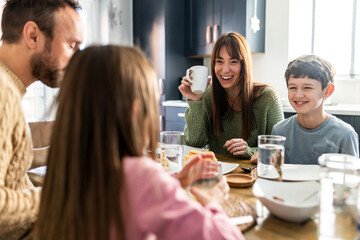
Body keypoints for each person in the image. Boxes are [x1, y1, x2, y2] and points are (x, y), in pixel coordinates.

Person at [34, 45, 244, 240]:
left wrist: (176, 180)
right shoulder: (141, 176)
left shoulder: (67, 165)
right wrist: (213, 202)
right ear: (134, 111)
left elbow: (129, 198)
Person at [0, 0, 83, 238]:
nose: (76, 60)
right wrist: (64, 196)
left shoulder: (9, 88)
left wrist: (57, 151)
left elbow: (11, 164)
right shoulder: (2, 94)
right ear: (33, 36)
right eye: (71, 45)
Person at [179, 32, 284, 160]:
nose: (225, 70)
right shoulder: (209, 94)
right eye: (219, 61)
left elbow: (278, 150)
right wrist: (196, 100)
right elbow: (194, 142)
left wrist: (249, 151)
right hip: (216, 173)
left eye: (233, 62)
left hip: (250, 176)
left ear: (244, 65)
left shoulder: (268, 98)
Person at [269, 54, 359, 164]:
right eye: (292, 88)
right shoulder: (279, 131)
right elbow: (274, 173)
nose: (298, 95)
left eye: (307, 88)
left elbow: (351, 178)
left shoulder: (345, 135)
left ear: (328, 91)